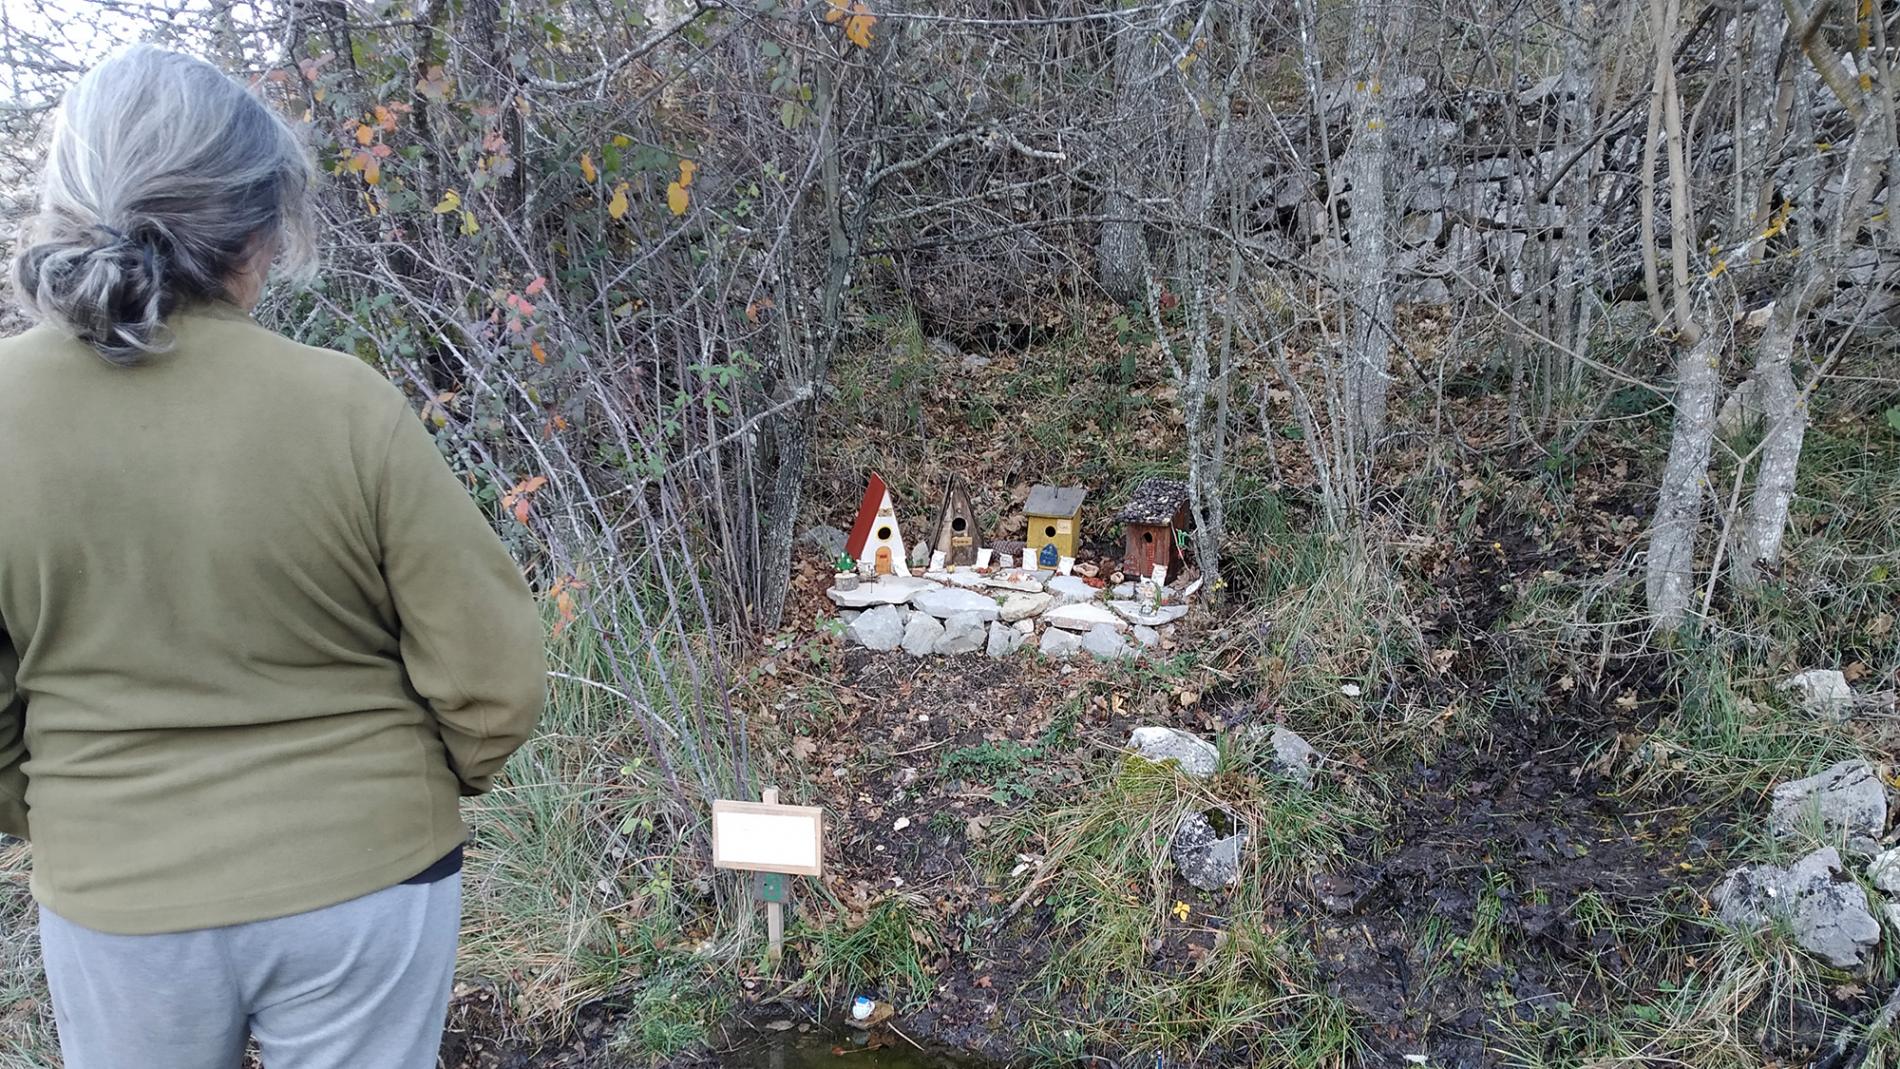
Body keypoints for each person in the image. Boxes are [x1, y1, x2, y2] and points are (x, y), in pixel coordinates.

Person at [0, 45, 547, 1069]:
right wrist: (420, 783)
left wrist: (72, 808)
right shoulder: (346, 405)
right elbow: (494, 677)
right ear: (258, 231)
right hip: (369, 877)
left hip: (119, 891)